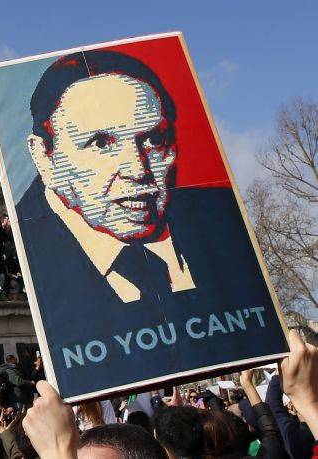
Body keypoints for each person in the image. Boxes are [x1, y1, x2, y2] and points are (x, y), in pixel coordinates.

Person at [16, 48, 286, 397]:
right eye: (100, 142)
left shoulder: (223, 221)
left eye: (153, 139)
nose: (137, 168)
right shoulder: (26, 248)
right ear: (44, 155)